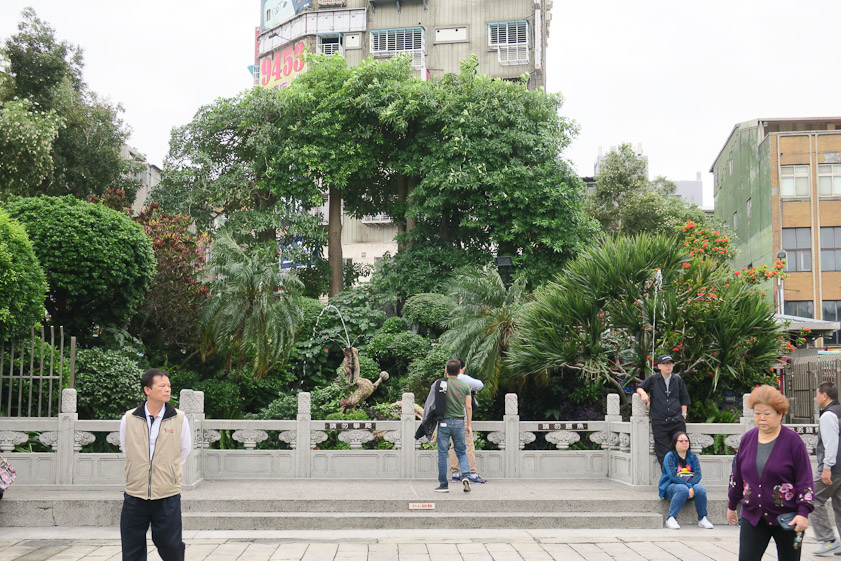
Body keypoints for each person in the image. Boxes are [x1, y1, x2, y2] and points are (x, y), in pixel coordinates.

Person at [727, 385, 814, 561]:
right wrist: (732, 505)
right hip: (753, 516)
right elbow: (737, 476)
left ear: (780, 414)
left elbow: (805, 480)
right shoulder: (748, 439)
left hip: (788, 518)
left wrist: (804, 512)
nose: (761, 418)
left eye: (767, 414)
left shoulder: (793, 442)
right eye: (757, 413)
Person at [119, 368, 192, 561]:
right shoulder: (129, 418)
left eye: (168, 386)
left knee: (171, 546)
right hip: (136, 493)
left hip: (167, 493)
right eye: (162, 386)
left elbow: (184, 450)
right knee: (132, 547)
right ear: (147, 390)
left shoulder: (179, 418)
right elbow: (126, 448)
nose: (167, 389)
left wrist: (167, 472)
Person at [635, 354, 691, 466]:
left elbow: (684, 398)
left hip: (677, 421)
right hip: (660, 421)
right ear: (659, 366)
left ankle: (683, 475)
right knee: (663, 452)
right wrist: (643, 394)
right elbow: (640, 387)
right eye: (666, 364)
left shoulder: (678, 379)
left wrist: (684, 414)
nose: (668, 366)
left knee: (682, 448)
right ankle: (669, 476)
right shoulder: (654, 379)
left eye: (670, 363)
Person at [431, 358, 472, 493]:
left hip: (444, 422)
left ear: (446, 370)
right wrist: (469, 425)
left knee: (443, 454)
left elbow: (432, 403)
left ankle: (443, 484)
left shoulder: (441, 384)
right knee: (461, 451)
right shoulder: (465, 385)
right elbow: (469, 406)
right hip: (460, 422)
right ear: (460, 371)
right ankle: (465, 475)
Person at [658, 431, 714, 530]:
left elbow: (698, 475)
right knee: (682, 488)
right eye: (681, 441)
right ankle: (671, 518)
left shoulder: (692, 457)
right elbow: (672, 476)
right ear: (675, 443)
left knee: (700, 489)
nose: (684, 443)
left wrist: (691, 487)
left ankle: (702, 518)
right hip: (671, 487)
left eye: (686, 441)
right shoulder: (670, 456)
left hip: (689, 488)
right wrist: (689, 487)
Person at [811, 382, 841, 556]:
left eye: (817, 395)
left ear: (824, 395)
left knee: (812, 498)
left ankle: (829, 540)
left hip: (834, 467)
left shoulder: (828, 415)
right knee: (839, 505)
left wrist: (827, 467)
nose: (816, 398)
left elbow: (831, 443)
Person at [449, 358, 487, 484]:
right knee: (468, 445)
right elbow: (480, 385)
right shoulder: (463, 378)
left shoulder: (446, 381)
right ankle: (472, 474)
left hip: (449, 418)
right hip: (462, 418)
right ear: (462, 368)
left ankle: (455, 474)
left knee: (454, 446)